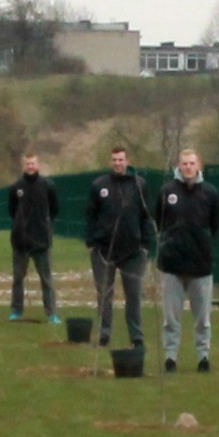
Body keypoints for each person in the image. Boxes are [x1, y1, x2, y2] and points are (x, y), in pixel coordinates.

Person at [151, 149, 219, 373]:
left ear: (198, 165)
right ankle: (170, 357)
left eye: (192, 163)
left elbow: (214, 225)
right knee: (171, 318)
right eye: (184, 163)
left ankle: (203, 356)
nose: (188, 167)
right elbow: (159, 221)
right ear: (178, 166)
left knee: (203, 319)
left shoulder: (210, 193)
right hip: (171, 265)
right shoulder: (167, 191)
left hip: (200, 265)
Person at [82, 144, 151, 346]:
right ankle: (104, 334)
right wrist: (91, 242)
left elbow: (146, 216)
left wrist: (146, 245)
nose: (118, 163)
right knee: (104, 295)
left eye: (121, 159)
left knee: (134, 296)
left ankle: (136, 337)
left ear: (127, 162)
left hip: (134, 251)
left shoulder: (139, 185)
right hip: (104, 250)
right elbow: (90, 216)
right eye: (115, 160)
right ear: (110, 162)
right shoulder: (98, 185)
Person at [1, 151, 59, 320]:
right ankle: (16, 311)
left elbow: (54, 209)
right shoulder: (16, 187)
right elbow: (12, 211)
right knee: (18, 279)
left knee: (47, 280)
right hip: (21, 242)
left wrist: (44, 226)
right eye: (27, 164)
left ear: (38, 165)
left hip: (42, 241)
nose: (30, 166)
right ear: (23, 166)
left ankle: (52, 313)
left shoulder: (48, 186)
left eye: (33, 163)